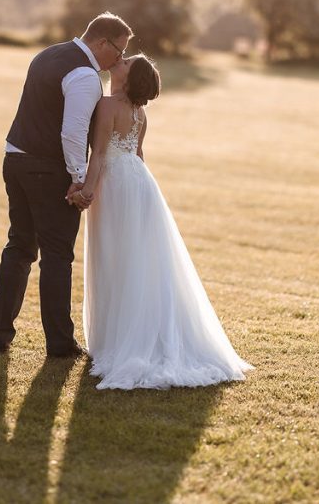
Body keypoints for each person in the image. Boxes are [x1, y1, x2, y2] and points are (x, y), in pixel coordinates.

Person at [73, 54, 254, 389]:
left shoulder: (108, 106)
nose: (120, 61)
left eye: (126, 62)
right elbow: (137, 154)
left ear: (127, 78)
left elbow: (97, 154)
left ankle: (120, 339)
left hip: (116, 185)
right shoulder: (139, 114)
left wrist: (86, 191)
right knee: (138, 258)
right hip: (140, 184)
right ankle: (131, 330)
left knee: (116, 256)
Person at [0, 12, 132, 357]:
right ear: (102, 43)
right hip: (48, 169)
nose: (119, 59)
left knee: (19, 247)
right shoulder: (84, 75)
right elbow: (72, 132)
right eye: (118, 50)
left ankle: (1, 333)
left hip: (15, 158)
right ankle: (59, 343)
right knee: (57, 257)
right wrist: (79, 179)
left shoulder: (48, 54)